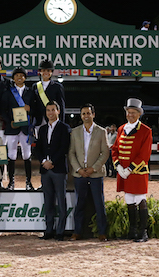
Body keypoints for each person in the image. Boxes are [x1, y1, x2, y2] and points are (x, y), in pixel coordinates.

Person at [112, 98, 152, 242]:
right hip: (123, 171)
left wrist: (130, 169)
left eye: (133, 112)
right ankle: (132, 231)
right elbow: (115, 149)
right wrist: (117, 166)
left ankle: (143, 232)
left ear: (139, 114)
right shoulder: (121, 129)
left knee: (140, 199)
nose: (130, 115)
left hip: (137, 172)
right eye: (129, 112)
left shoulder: (146, 131)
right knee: (129, 200)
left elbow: (144, 154)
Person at [68, 103, 109, 242]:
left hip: (96, 174)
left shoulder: (101, 131)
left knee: (99, 204)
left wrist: (93, 168)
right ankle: (77, 232)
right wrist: (79, 169)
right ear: (81, 116)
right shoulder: (75, 132)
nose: (86, 116)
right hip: (79, 174)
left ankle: (102, 232)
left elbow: (105, 153)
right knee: (79, 204)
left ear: (93, 114)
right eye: (83, 113)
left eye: (88, 113)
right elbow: (71, 153)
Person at [34, 101, 71, 241]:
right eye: (48, 110)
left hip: (59, 169)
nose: (50, 112)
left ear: (58, 111)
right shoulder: (42, 129)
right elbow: (38, 148)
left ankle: (60, 231)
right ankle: (49, 230)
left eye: (53, 110)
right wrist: (44, 161)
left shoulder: (65, 128)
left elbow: (64, 148)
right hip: (45, 170)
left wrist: (52, 162)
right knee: (48, 202)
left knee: (61, 201)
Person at [1, 67, 35, 190]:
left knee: (27, 155)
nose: (19, 77)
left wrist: (30, 109)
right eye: (17, 75)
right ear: (13, 78)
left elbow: (35, 109)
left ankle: (28, 182)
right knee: (11, 155)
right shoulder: (7, 92)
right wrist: (9, 121)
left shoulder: (30, 92)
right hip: (12, 128)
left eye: (22, 75)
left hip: (26, 128)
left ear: (25, 78)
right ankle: (11, 182)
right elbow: (3, 110)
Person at [32, 59, 66, 132]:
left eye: (48, 71)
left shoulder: (57, 86)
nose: (46, 73)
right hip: (39, 120)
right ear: (40, 72)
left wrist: (61, 122)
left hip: (53, 119)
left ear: (51, 72)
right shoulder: (35, 86)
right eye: (43, 70)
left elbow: (61, 105)